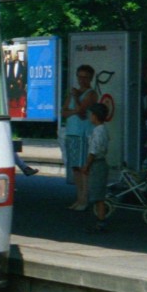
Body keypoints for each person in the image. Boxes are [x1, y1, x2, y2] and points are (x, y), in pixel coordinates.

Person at [61, 64, 98, 210]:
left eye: (85, 77)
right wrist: (75, 109)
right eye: (80, 76)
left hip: (83, 133)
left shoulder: (91, 94)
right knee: (75, 168)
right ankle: (79, 197)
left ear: (90, 78)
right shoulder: (72, 93)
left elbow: (82, 113)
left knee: (84, 167)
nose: (82, 80)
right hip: (71, 132)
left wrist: (76, 100)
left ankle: (84, 199)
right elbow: (63, 112)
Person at [80, 103, 110, 231]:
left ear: (95, 116)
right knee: (98, 194)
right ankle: (99, 220)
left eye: (91, 115)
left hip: (97, 163)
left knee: (97, 196)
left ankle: (100, 221)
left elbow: (93, 150)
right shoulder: (103, 129)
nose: (89, 117)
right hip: (101, 162)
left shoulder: (98, 131)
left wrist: (87, 165)